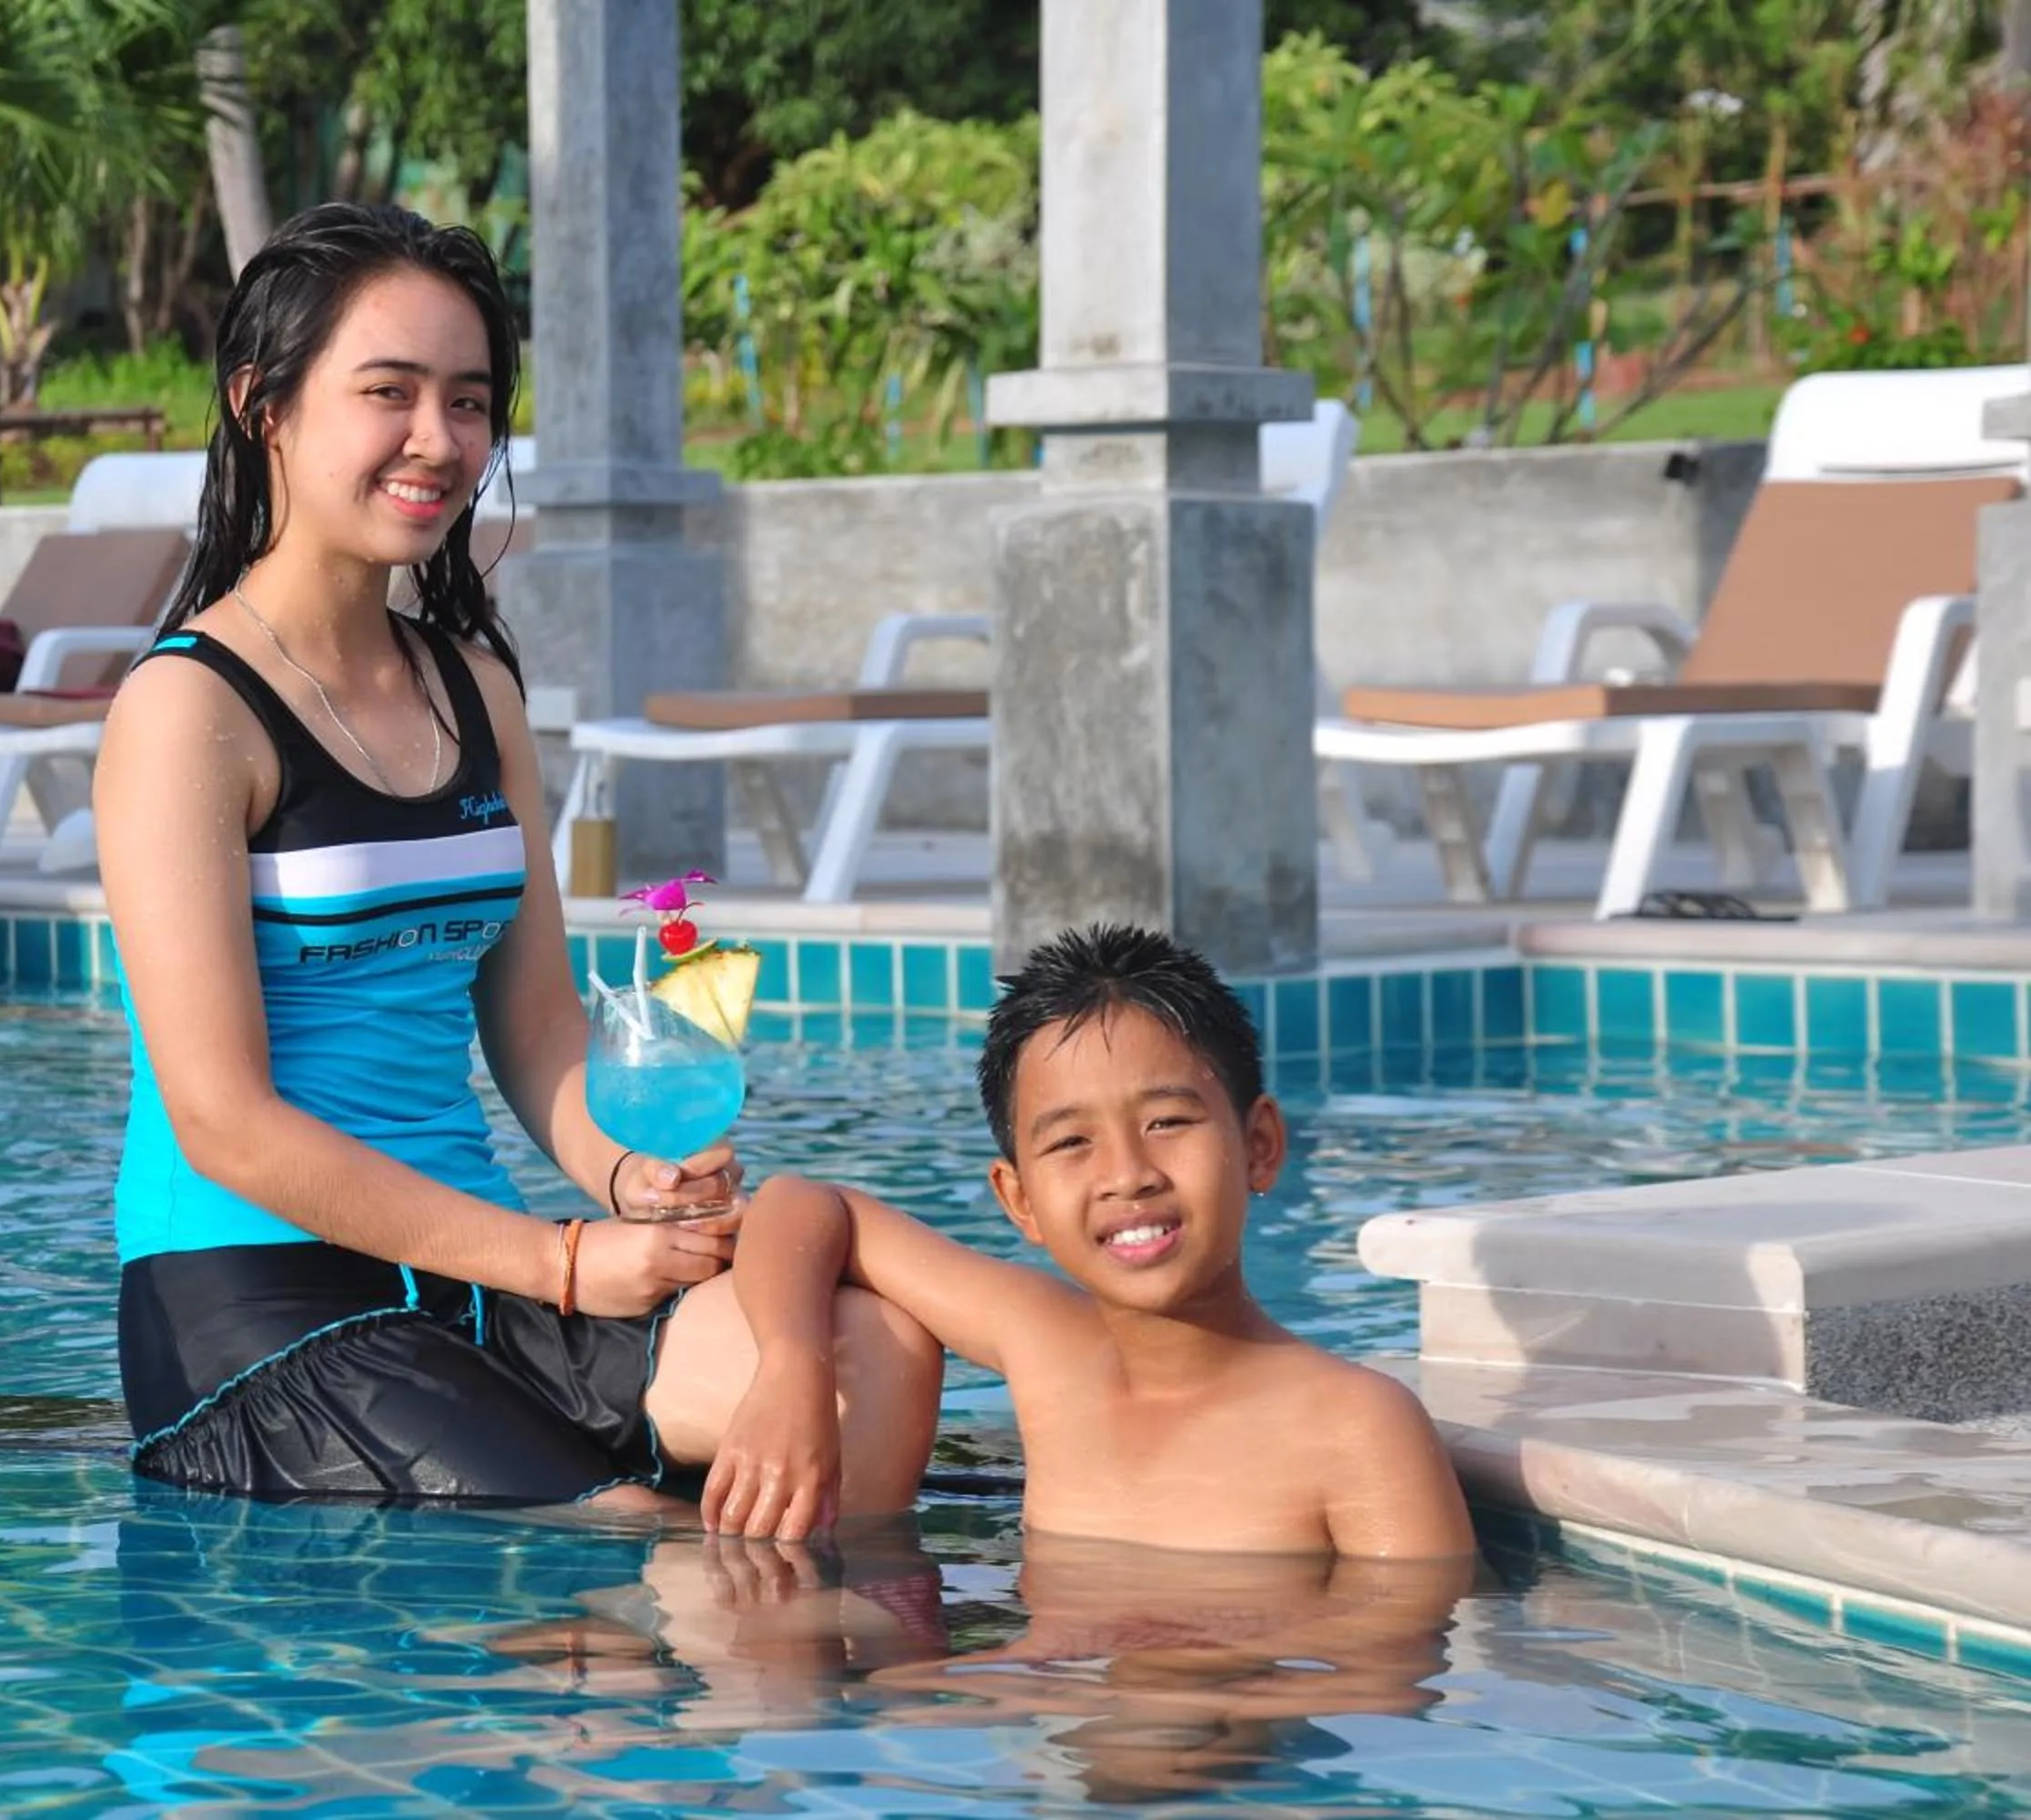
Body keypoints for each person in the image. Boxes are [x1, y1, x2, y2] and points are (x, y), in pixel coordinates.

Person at [92, 201, 942, 1513]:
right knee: (640, 1554)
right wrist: (558, 1260)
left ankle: (849, 1652)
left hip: (481, 1278)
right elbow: (224, 1123)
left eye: (471, 402)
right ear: (266, 406)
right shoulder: (186, 713)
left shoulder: (473, 688)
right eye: (391, 393)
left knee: (868, 1356)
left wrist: (630, 1180)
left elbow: (540, 1029)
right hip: (259, 1303)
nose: (440, 442)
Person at [710, 924, 1476, 1559]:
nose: (1128, 1175)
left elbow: (1398, 1673)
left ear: (1260, 1146)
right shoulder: (1050, 1346)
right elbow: (802, 1204)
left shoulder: (1356, 1424)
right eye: (1072, 1142)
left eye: (1167, 1122)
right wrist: (789, 1373)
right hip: (1050, 1702)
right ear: (1021, 1201)